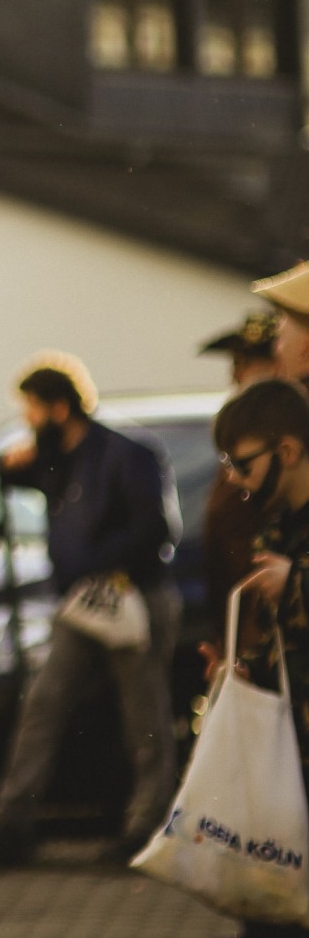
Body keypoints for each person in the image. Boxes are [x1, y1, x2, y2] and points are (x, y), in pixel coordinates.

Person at [0, 355, 182, 868]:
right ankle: (13, 819)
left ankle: (148, 825)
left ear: (60, 408)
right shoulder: (58, 461)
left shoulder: (123, 455)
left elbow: (155, 527)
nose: (28, 423)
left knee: (144, 716)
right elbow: (24, 480)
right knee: (43, 702)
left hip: (128, 598)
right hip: (81, 605)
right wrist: (6, 468)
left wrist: (97, 560)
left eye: (33, 411)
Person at [210, 377, 309, 938]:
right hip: (284, 759)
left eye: (242, 463)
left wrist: (295, 582)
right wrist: (242, 671)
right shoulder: (275, 521)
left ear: (288, 452)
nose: (233, 478)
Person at [201, 313, 281, 640]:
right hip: (234, 601)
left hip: (264, 605)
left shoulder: (282, 435)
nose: (236, 375)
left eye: (247, 362)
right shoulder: (244, 429)